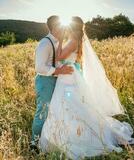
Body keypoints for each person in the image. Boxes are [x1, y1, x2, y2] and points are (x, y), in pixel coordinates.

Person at [40, 16, 134, 159]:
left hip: (68, 76)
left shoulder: (72, 41)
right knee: (72, 104)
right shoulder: (74, 39)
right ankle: (66, 133)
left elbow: (59, 57)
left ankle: (78, 136)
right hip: (69, 74)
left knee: (71, 104)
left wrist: (58, 41)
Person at [30, 15, 74, 152]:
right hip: (44, 81)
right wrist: (59, 70)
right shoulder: (45, 43)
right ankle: (34, 144)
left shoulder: (56, 42)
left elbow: (55, 60)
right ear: (54, 27)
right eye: (61, 26)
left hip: (55, 80)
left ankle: (48, 140)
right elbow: (39, 67)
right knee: (42, 112)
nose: (64, 29)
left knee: (53, 111)